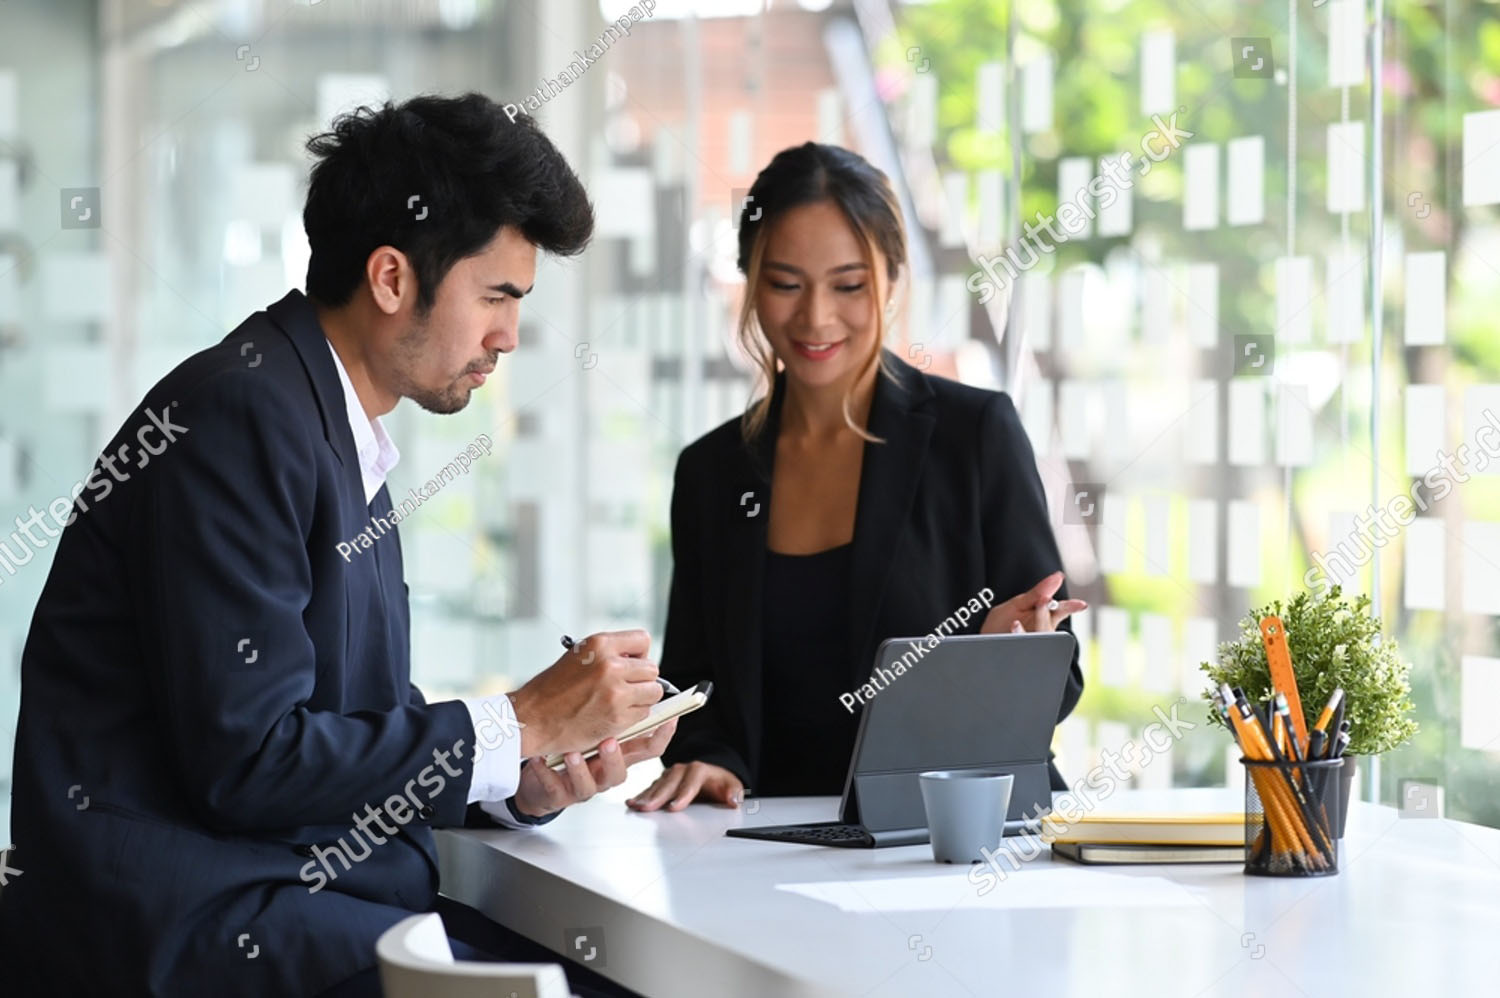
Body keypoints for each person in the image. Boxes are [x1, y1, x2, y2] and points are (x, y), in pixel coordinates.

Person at [0, 93, 671, 997]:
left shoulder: (325, 424)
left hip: (285, 891)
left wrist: (520, 780)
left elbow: (346, 731)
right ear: (392, 278)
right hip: (188, 921)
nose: (509, 336)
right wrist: (524, 720)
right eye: (497, 296)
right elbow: (251, 761)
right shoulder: (243, 418)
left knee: (609, 968)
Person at [629, 142, 1085, 813]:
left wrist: (995, 661)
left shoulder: (974, 434)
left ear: (892, 279)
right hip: (767, 848)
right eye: (786, 284)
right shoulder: (712, 471)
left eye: (848, 285)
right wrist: (709, 756)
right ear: (751, 281)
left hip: (951, 843)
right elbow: (696, 688)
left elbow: (1059, 674)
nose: (816, 318)